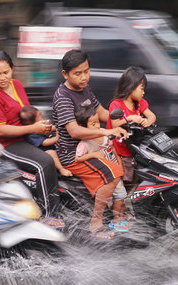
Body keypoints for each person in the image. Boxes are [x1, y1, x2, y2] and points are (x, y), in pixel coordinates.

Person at [0, 50, 64, 228]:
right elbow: (0, 130)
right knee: (45, 162)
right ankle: (51, 215)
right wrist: (35, 128)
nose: (3, 77)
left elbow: (27, 113)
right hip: (7, 144)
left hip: (27, 135)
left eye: (6, 72)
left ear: (12, 69)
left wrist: (42, 126)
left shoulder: (16, 85)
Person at [52, 49, 129, 239]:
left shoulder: (84, 88)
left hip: (92, 144)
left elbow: (102, 113)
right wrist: (105, 131)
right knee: (113, 173)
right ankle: (96, 223)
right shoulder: (63, 96)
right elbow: (74, 131)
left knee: (122, 163)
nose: (84, 76)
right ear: (65, 74)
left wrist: (128, 118)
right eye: (78, 73)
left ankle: (119, 214)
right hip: (74, 154)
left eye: (86, 71)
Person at [74, 105, 130, 232]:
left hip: (114, 170)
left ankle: (117, 217)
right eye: (93, 124)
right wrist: (93, 154)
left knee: (120, 195)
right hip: (104, 176)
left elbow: (113, 149)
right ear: (83, 128)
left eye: (97, 121)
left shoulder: (105, 135)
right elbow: (78, 158)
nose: (97, 126)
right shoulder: (85, 144)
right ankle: (116, 219)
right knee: (112, 196)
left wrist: (119, 163)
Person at [108, 66, 157, 183]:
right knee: (125, 180)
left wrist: (147, 121)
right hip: (119, 151)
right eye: (141, 89)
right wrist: (129, 118)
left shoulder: (140, 103)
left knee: (135, 178)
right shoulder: (116, 105)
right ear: (131, 87)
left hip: (134, 149)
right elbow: (115, 124)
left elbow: (152, 116)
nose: (143, 92)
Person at [19, 105, 72, 177]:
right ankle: (61, 169)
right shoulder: (32, 134)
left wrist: (60, 127)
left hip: (53, 146)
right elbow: (44, 143)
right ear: (32, 123)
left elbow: (51, 128)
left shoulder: (40, 126)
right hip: (44, 151)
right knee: (52, 153)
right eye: (40, 116)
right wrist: (56, 138)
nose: (42, 118)